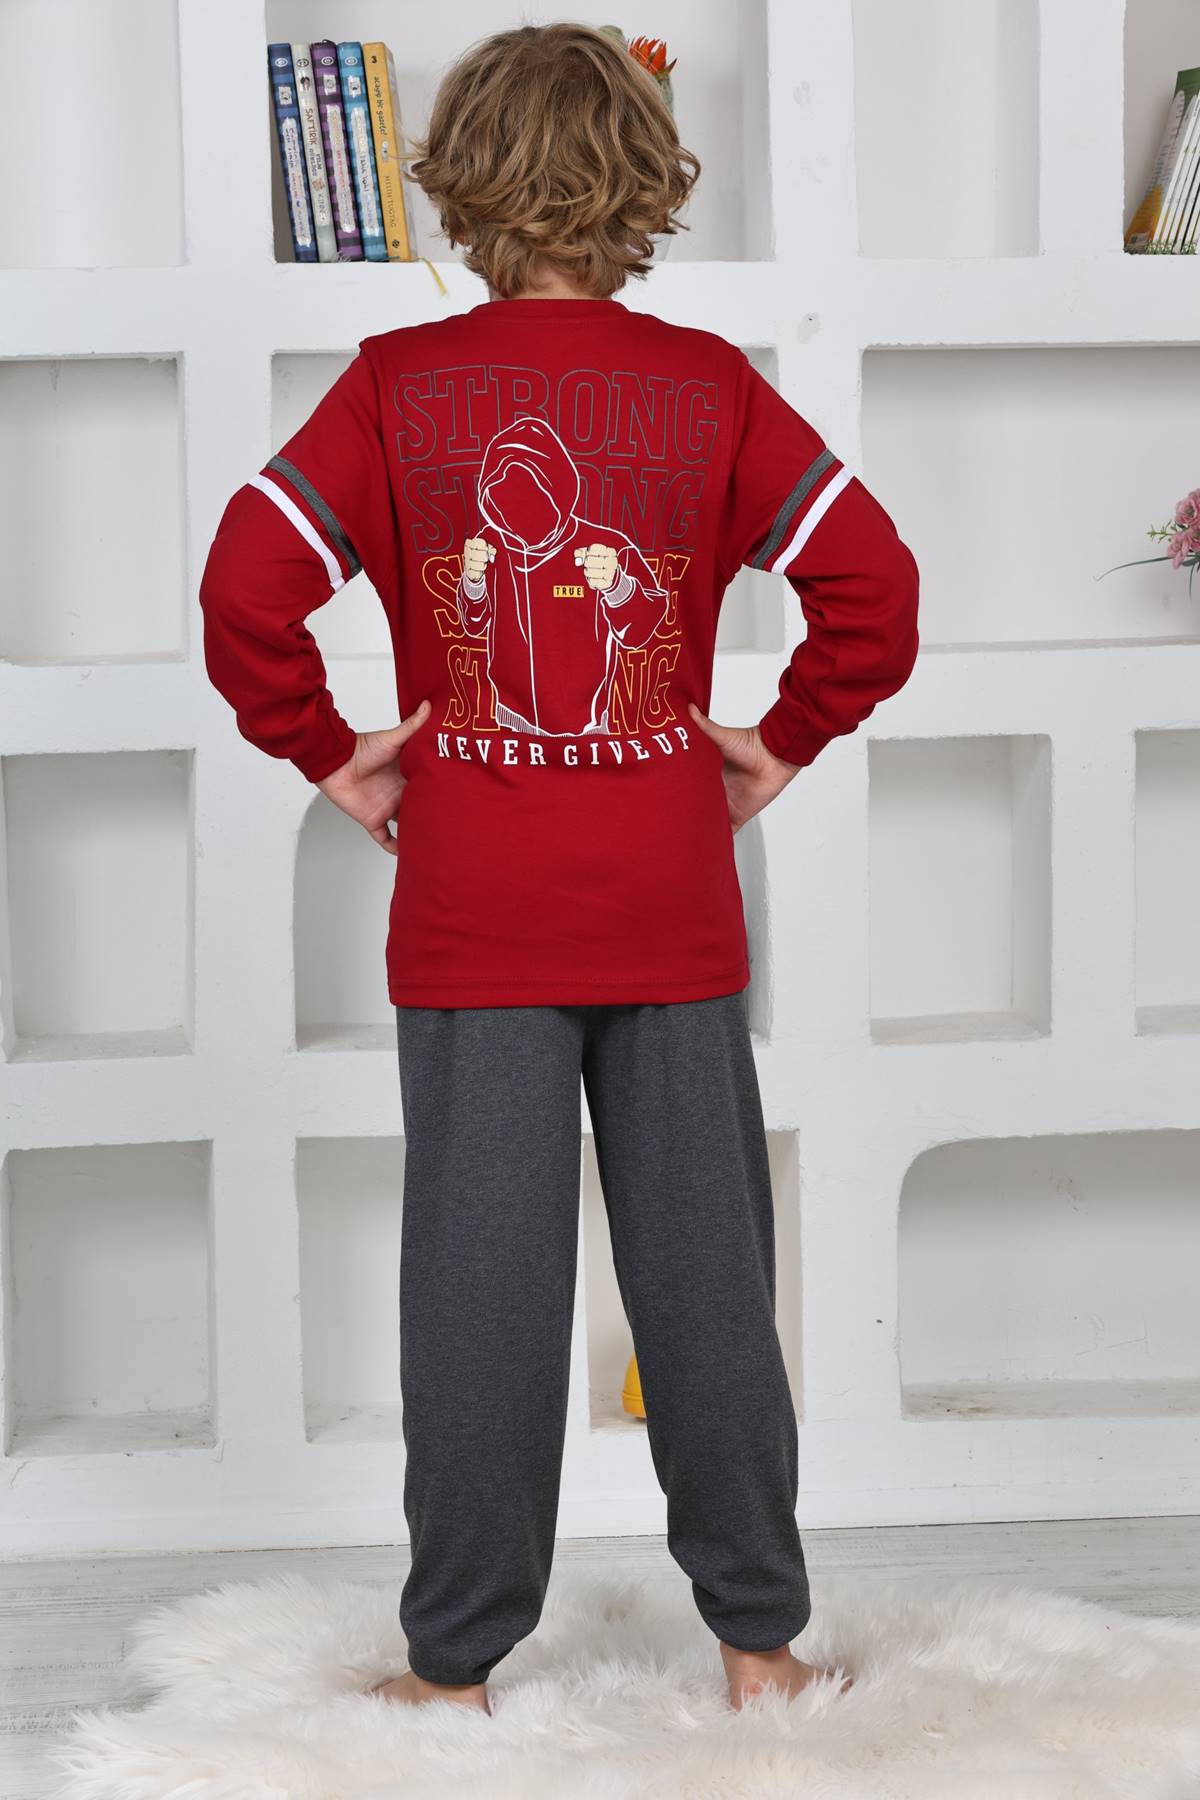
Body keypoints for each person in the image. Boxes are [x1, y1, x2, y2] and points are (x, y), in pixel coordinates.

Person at [198, 22, 919, 1716]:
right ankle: (761, 1647)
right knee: (708, 1288)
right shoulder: (710, 389)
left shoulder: (394, 389)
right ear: (647, 185)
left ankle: (454, 1671)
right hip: (671, 906)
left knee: (480, 1300)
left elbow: (244, 589)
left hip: (473, 922)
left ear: (458, 186)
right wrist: (777, 740)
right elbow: (874, 589)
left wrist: (327, 749)